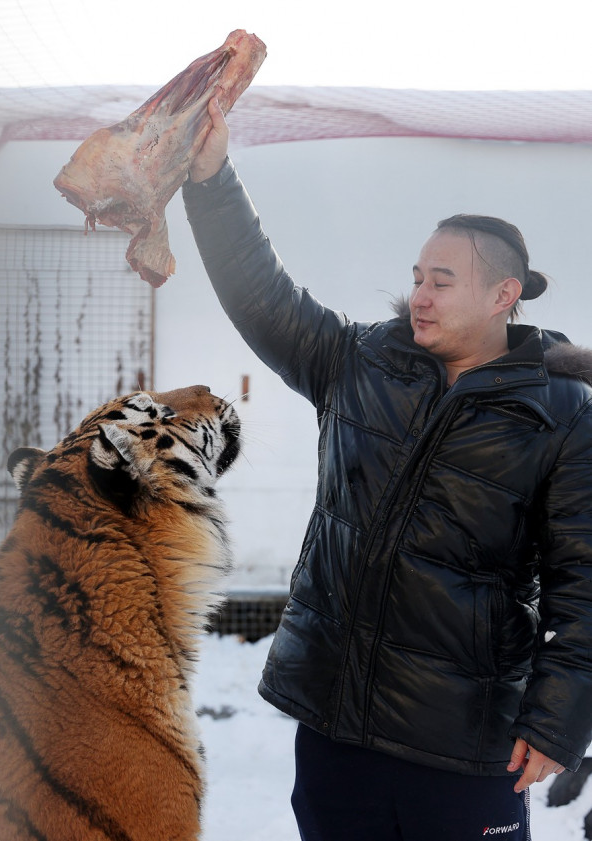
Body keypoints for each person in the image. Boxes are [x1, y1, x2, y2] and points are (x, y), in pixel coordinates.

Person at [183, 98, 592, 841]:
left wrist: (561, 719)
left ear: (504, 295)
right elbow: (262, 296)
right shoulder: (360, 361)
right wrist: (210, 180)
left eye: (441, 279)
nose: (420, 295)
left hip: (466, 746)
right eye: (417, 275)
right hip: (338, 727)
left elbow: (584, 583)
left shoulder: (562, 410)